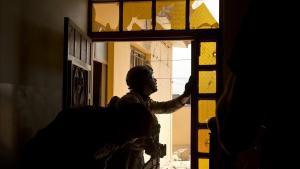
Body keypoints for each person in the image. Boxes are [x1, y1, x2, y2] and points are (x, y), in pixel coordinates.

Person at [106, 65, 192, 169]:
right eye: (151, 77)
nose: (155, 80)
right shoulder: (130, 102)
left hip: (134, 159)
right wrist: (147, 144)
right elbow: (124, 137)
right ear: (143, 81)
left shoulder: (144, 101)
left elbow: (166, 107)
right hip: (124, 160)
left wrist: (186, 94)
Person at [20, 104, 155, 169]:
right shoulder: (84, 121)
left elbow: (98, 158)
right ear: (127, 127)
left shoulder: (114, 131)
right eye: (134, 136)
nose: (132, 141)